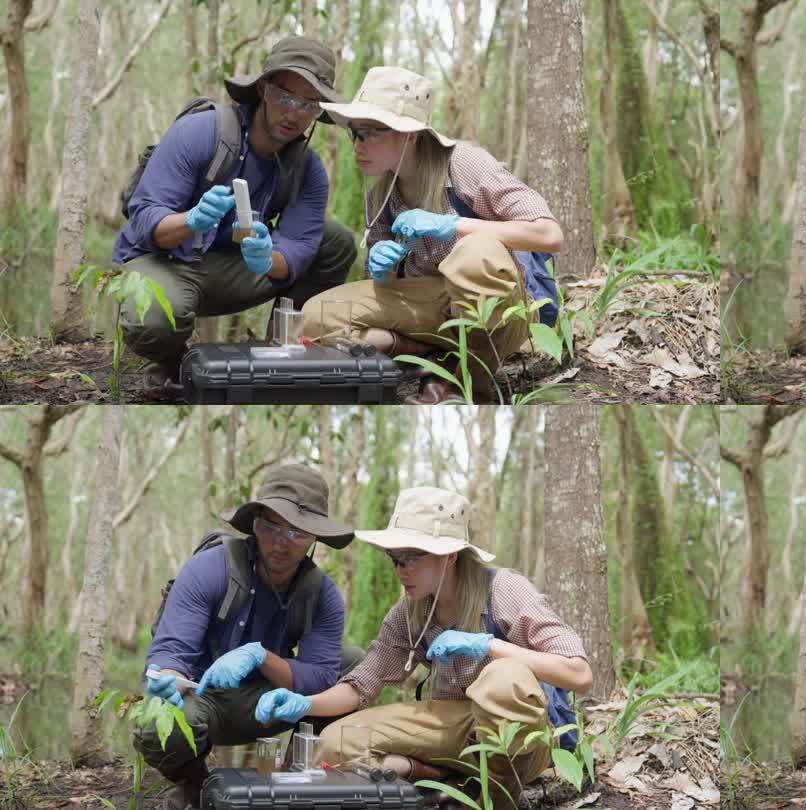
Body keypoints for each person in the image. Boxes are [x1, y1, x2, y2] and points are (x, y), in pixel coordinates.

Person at [249, 487, 592, 809]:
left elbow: (579, 673)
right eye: (394, 558)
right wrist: (303, 703)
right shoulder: (409, 612)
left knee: (502, 679)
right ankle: (439, 777)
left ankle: (496, 798)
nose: (401, 571)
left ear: (450, 556)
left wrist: (489, 646)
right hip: (451, 725)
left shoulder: (503, 589)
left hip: (520, 734)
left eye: (412, 558)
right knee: (336, 742)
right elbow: (362, 684)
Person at [300, 67, 565, 404]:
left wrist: (453, 226)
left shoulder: (464, 163)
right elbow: (384, 288)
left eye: (370, 133)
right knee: (315, 316)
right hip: (432, 310)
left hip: (501, 308)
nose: (358, 146)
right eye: (355, 133)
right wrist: (382, 268)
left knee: (475, 255)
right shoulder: (381, 194)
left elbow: (549, 234)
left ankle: (466, 381)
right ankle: (421, 350)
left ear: (408, 135)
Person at [114, 37, 358, 393]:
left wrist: (267, 259)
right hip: (166, 259)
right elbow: (145, 221)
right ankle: (172, 361)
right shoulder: (200, 132)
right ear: (263, 89)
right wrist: (192, 219)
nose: (294, 113)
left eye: (308, 104)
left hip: (230, 268)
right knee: (152, 320)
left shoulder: (307, 169)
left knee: (335, 241)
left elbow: (299, 248)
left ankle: (282, 351)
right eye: (284, 97)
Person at [137, 464, 363, 810]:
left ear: (314, 538)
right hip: (203, 698)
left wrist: (260, 656)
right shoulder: (209, 569)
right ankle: (196, 785)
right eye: (271, 527)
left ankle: (294, 778)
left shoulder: (322, 594)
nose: (280, 543)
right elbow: (171, 652)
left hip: (270, 701)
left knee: (354, 665)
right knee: (156, 720)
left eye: (297, 533)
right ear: (255, 523)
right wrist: (167, 678)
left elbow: (320, 676)